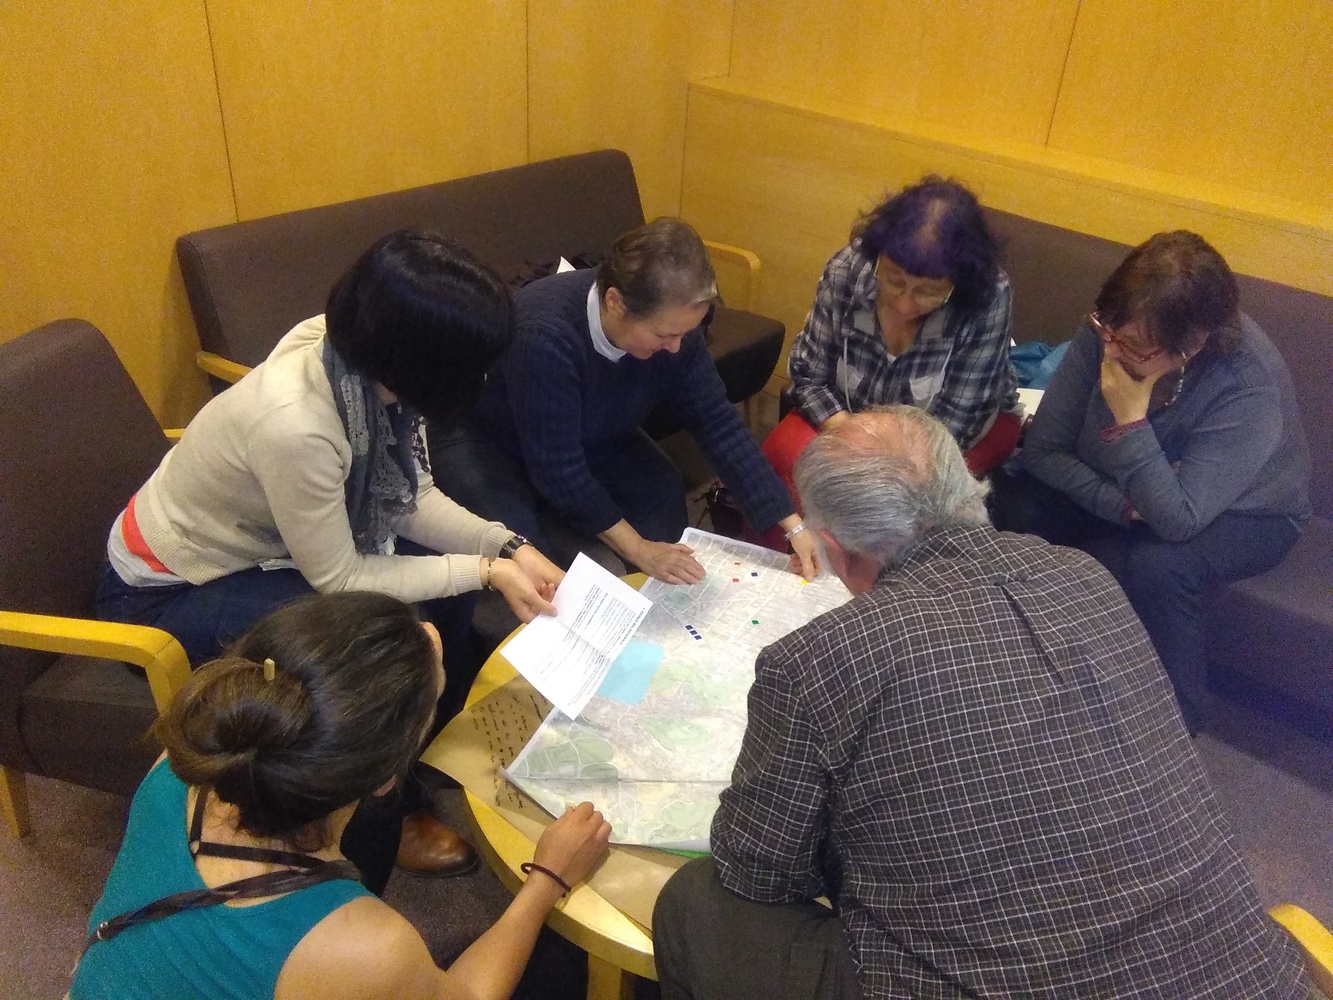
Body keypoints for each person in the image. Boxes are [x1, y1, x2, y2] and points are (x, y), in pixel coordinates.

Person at [653, 407, 1311, 1000]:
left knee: (695, 902)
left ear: (835, 551)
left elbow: (760, 871)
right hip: (1247, 976)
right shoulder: (1086, 577)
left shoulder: (819, 657)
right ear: (968, 488)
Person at [95, 230, 566, 883]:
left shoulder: (364, 366)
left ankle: (422, 755)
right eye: (472, 365)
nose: (481, 379)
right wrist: (488, 571)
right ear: (421, 361)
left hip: (260, 548)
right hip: (168, 589)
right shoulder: (298, 425)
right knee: (378, 643)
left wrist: (506, 545)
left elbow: (409, 500)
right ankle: (382, 814)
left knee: (447, 595)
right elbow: (340, 577)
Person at [70, 592, 611, 1000]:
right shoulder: (364, 946)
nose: (429, 632)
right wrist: (547, 880)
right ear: (384, 780)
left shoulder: (183, 764)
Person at [992, 231, 1311, 735]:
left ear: (1191, 347)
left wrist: (1130, 421)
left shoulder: (1248, 383)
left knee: (1157, 566)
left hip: (1250, 513)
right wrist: (1123, 505)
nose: (1111, 352)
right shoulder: (1112, 329)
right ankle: (1007, 673)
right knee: (1013, 501)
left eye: (1135, 348)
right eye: (1106, 331)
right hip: (1127, 488)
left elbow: (1178, 519)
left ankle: (1175, 726)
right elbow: (1044, 451)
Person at [433, 217, 818, 585]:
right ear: (615, 302)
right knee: (528, 552)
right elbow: (559, 470)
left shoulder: (675, 329)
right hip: (492, 442)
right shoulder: (544, 333)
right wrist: (638, 549)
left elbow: (717, 421)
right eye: (664, 335)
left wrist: (792, 525)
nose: (677, 347)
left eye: (685, 334)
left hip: (590, 431)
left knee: (661, 488)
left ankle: (661, 600)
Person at [763, 176, 1022, 511]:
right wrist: (853, 437)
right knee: (781, 460)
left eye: (928, 292)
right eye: (893, 280)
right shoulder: (848, 269)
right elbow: (810, 376)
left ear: (959, 283)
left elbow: (959, 420)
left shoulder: (989, 296)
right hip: (848, 418)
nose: (904, 304)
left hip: (944, 439)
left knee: (902, 506)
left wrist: (883, 467)